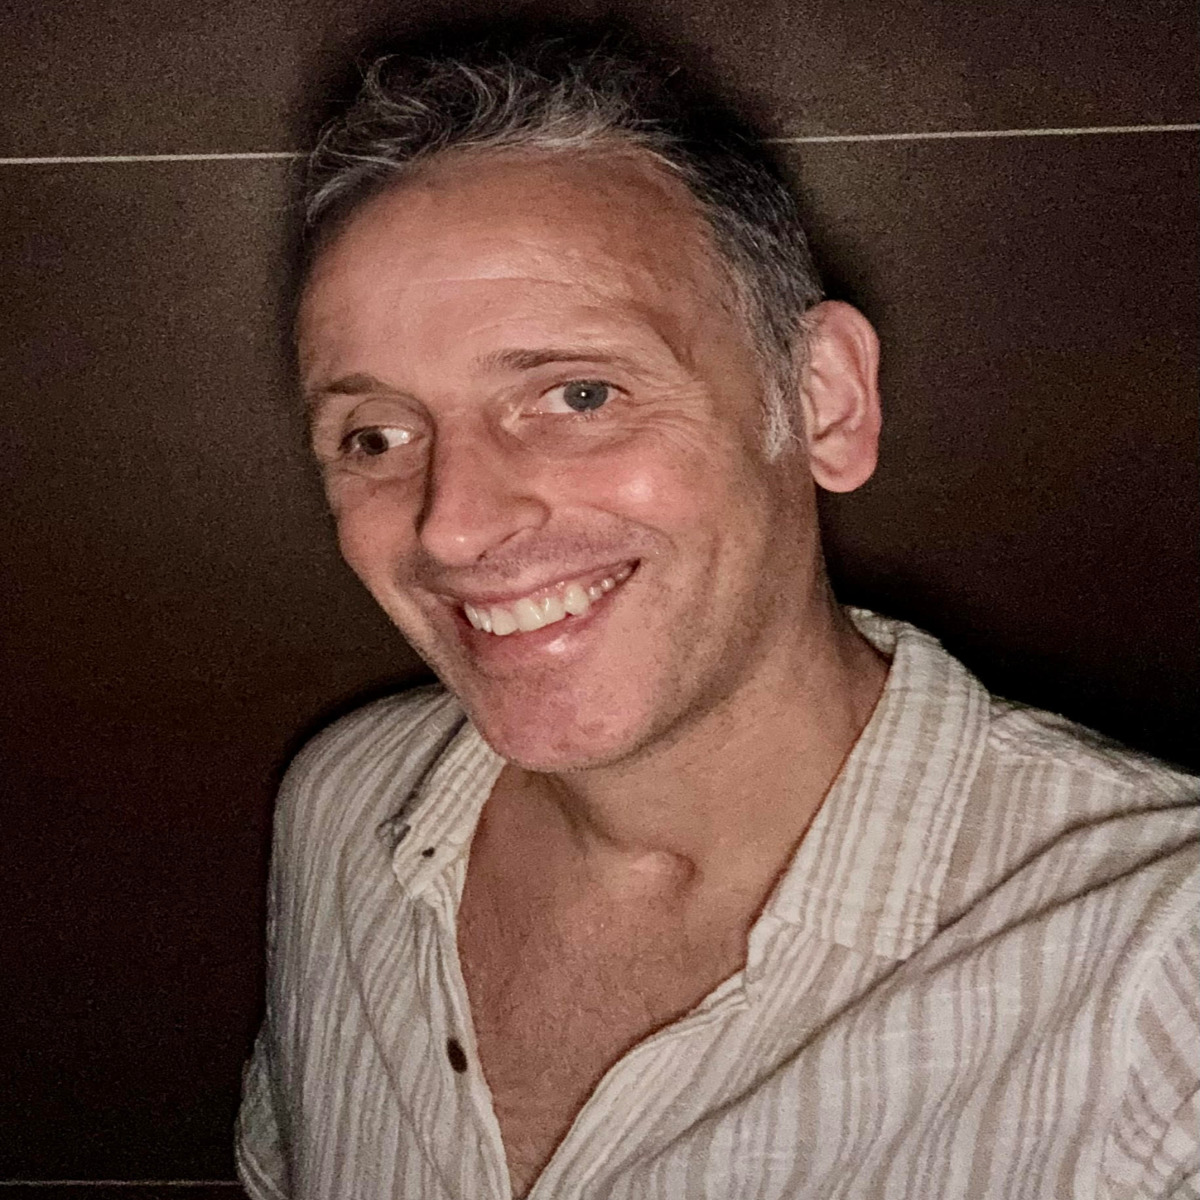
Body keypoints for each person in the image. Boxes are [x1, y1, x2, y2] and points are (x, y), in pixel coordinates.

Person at [236, 32, 1198, 1200]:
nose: (454, 526)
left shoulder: (1161, 989)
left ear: (822, 402)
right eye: (376, 436)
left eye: (579, 394)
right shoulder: (342, 809)